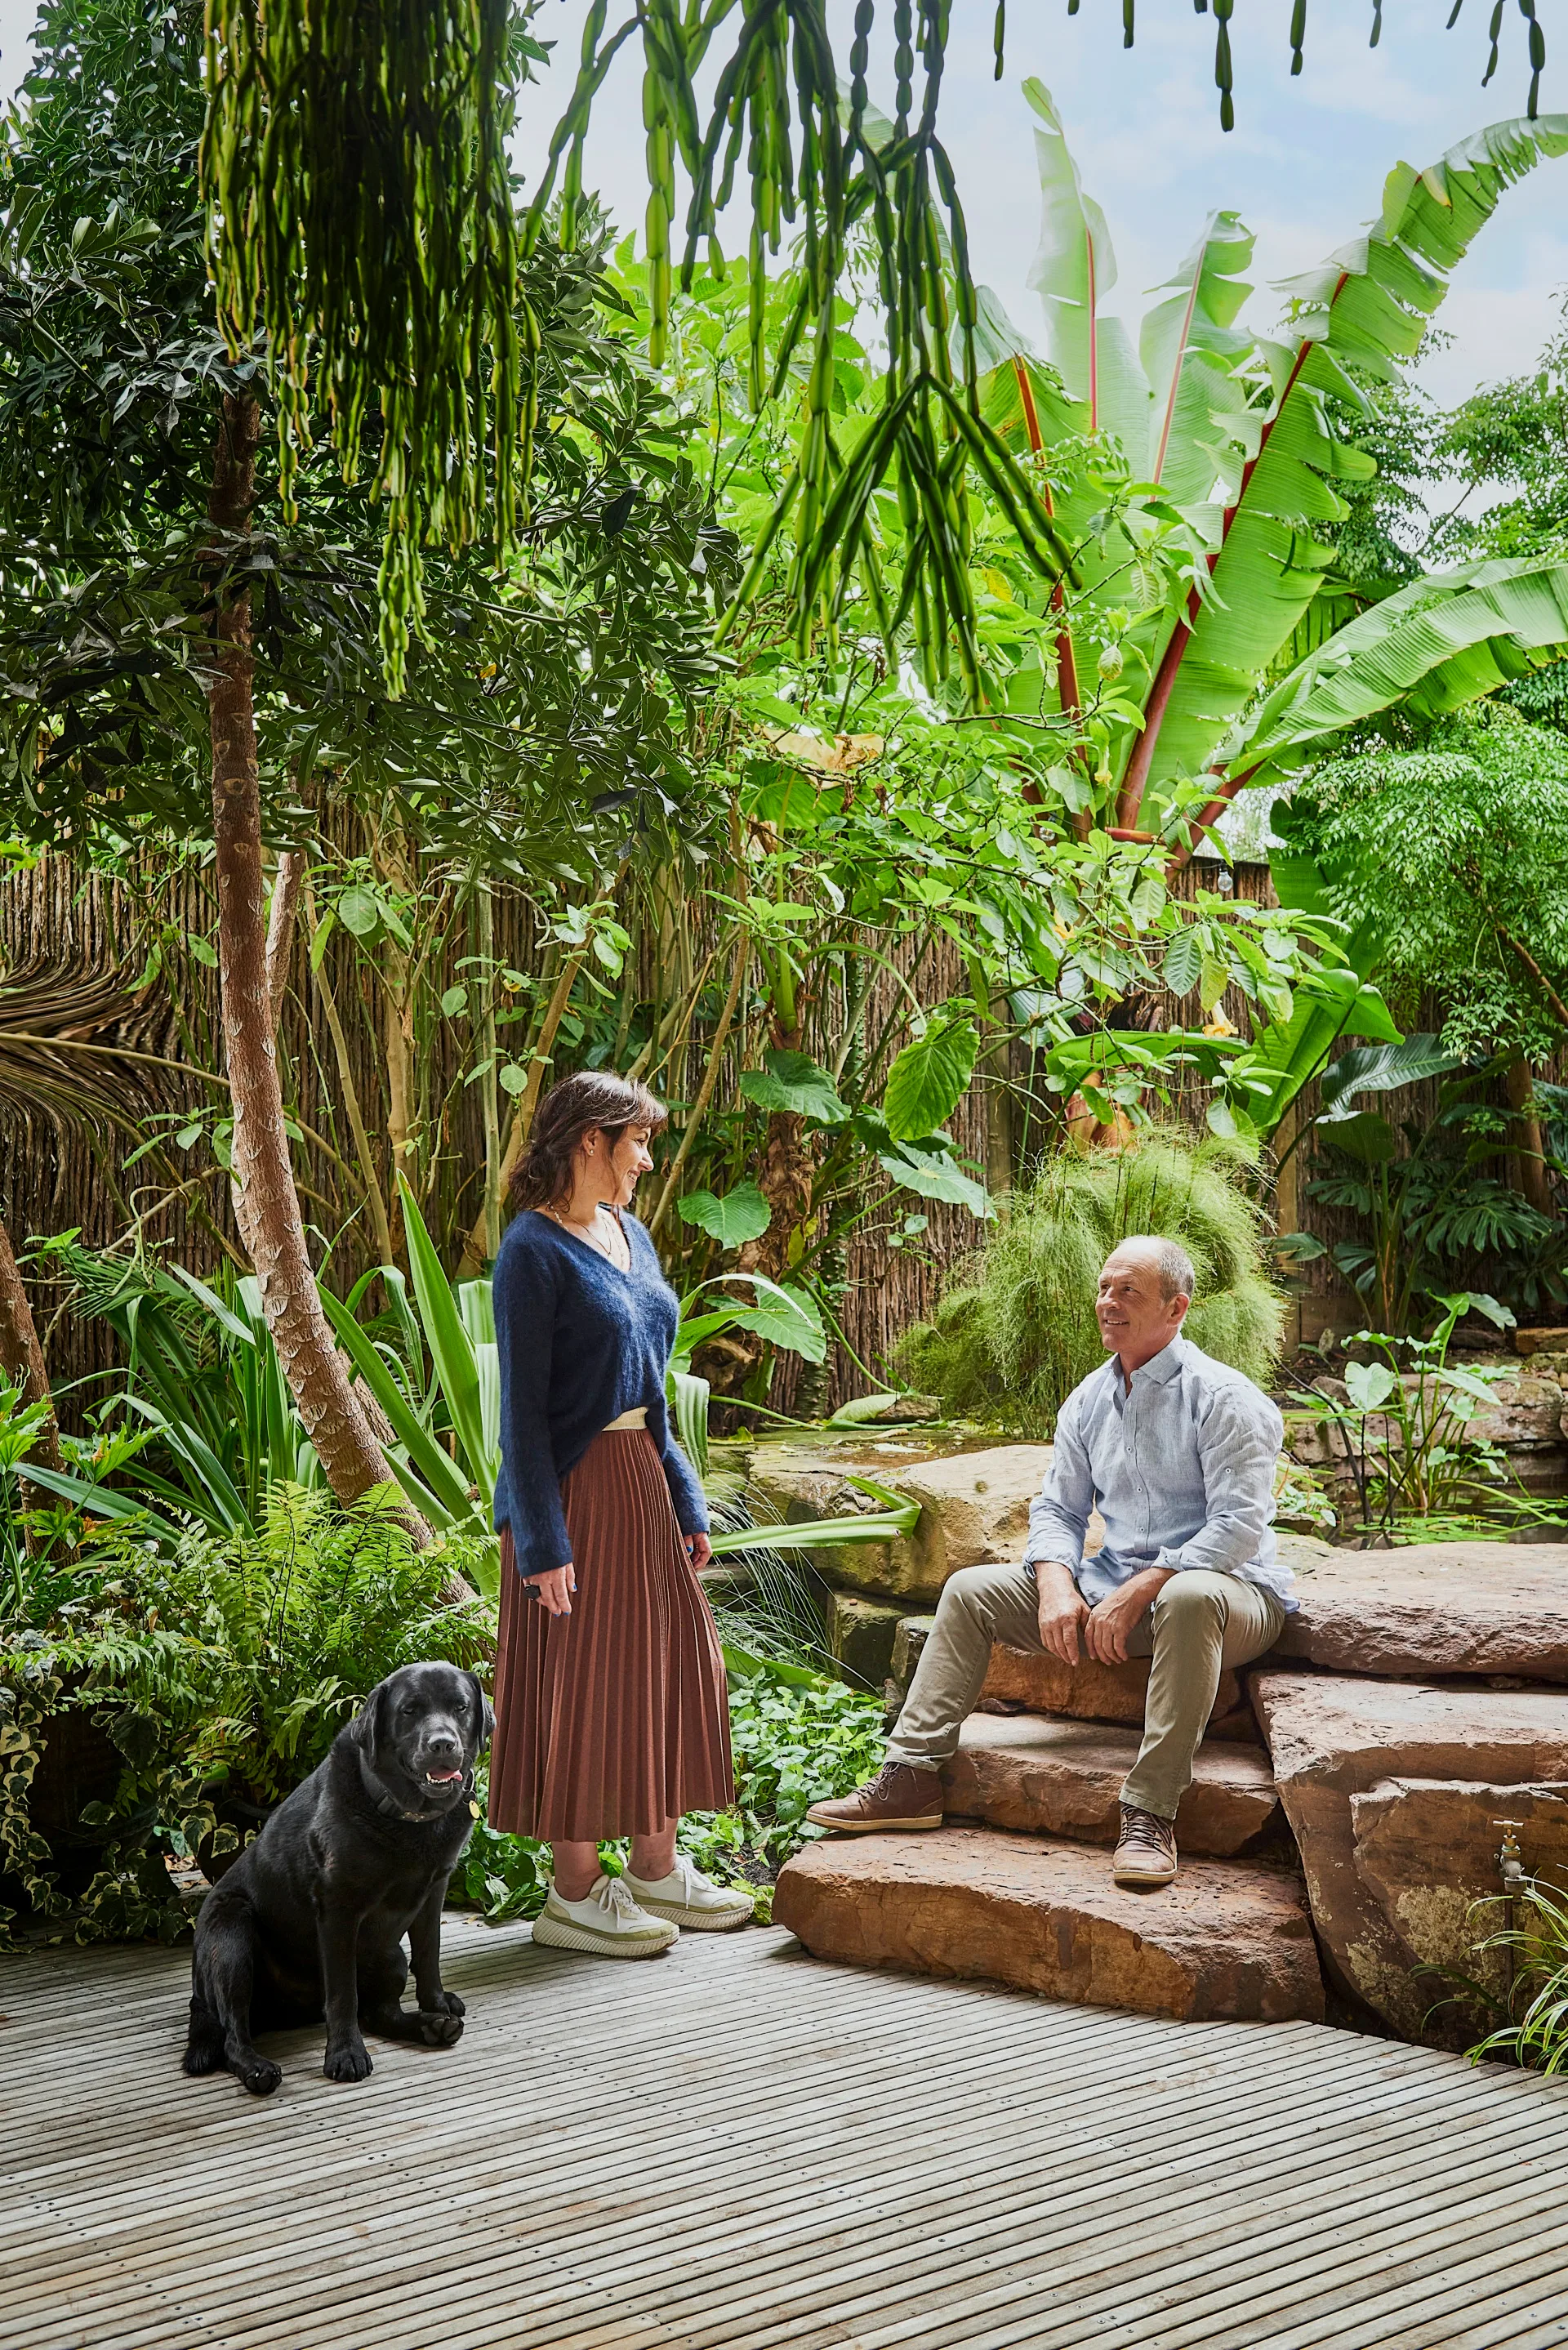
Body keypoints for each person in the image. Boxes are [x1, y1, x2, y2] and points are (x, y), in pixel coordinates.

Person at [807, 1235, 1294, 1888]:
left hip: (1230, 1599)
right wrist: (1057, 1582)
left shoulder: (1226, 1398)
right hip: (1118, 1586)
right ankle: (911, 1778)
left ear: (1177, 1309)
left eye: (1129, 1291)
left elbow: (1237, 1527)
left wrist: (1144, 1587)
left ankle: (1150, 1811)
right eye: (1104, 1288)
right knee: (972, 1589)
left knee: (1186, 1594)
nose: (1108, 1303)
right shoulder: (1090, 1398)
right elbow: (1059, 1510)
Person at [488, 1070, 751, 1955]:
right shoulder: (531, 1249)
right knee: (580, 1681)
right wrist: (541, 1543)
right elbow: (519, 1412)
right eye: (635, 1141)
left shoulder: (631, 1233)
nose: (646, 1159)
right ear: (588, 1141)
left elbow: (656, 1391)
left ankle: (654, 1868)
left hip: (641, 1481)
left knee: (670, 1672)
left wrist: (685, 1496)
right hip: (569, 1491)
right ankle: (572, 1891)